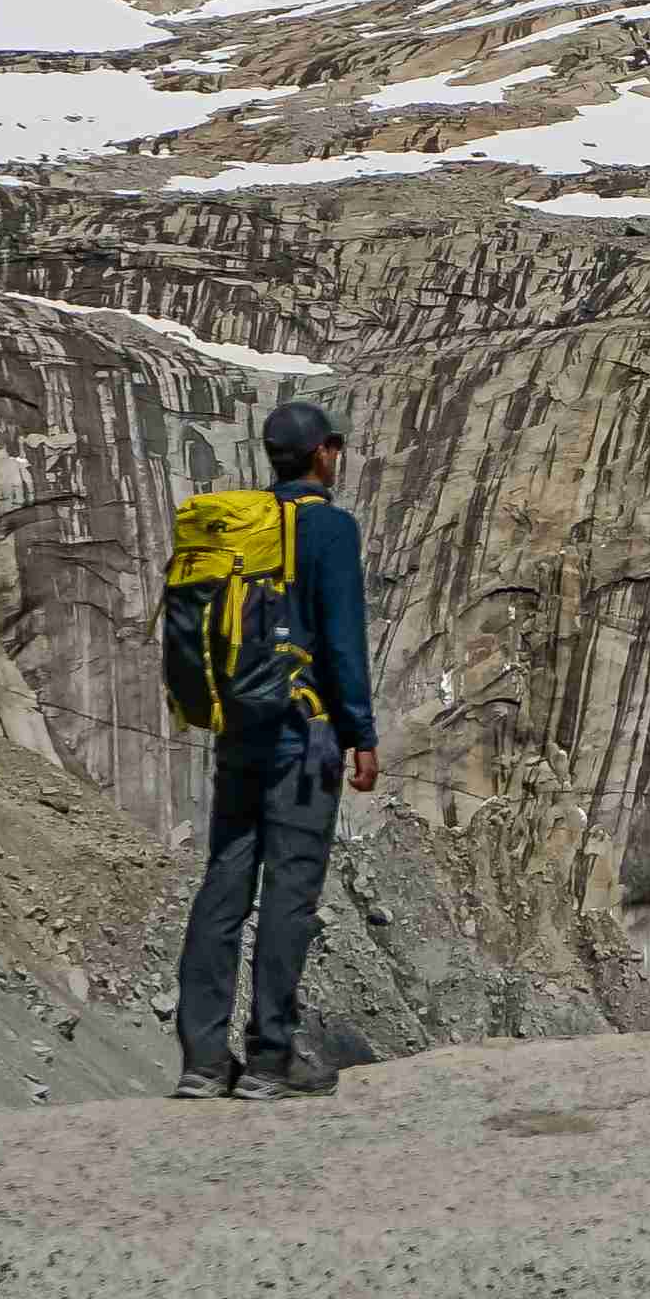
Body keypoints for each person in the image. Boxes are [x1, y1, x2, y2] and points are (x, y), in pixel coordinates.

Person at [172, 398, 378, 1100]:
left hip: (239, 729)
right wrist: (361, 735)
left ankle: (203, 1060)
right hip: (302, 735)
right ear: (323, 452)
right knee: (290, 890)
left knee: (224, 883)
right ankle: (270, 1058)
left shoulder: (246, 528)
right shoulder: (329, 527)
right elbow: (343, 639)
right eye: (334, 447)